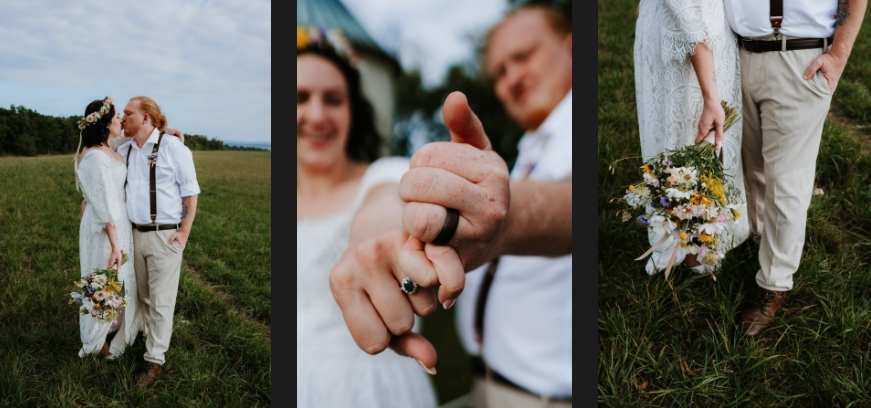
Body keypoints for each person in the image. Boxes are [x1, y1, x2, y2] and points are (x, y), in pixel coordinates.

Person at [331, 3, 574, 406]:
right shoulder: (534, 143)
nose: (511, 79)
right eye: (499, 72)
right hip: (488, 380)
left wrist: (505, 219)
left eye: (523, 57)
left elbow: (572, 203)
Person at [296, 26, 440, 408]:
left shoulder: (385, 175)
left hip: (375, 389)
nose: (316, 115)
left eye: (333, 99)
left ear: (352, 111)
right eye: (300, 98)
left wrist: (376, 236)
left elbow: (386, 208)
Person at [729, 0, 867, 336]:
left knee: (786, 178)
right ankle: (761, 234)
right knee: (751, 163)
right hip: (737, 54)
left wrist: (838, 56)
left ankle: (774, 282)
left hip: (799, 58)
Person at [634, 0, 751, 274]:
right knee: (690, 133)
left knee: (682, 134)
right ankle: (690, 242)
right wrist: (710, 96)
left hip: (678, 30)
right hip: (688, 44)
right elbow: (690, 13)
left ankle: (685, 232)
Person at [116, 95, 200, 386]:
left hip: (165, 235)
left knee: (162, 301)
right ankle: (147, 336)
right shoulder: (125, 147)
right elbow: (103, 140)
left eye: (128, 113)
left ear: (146, 117)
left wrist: (184, 231)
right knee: (143, 296)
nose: (122, 117)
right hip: (134, 234)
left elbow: (190, 192)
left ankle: (154, 360)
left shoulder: (173, 148)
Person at [75, 97, 141, 359]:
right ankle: (94, 341)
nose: (121, 120)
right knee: (104, 280)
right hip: (105, 229)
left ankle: (113, 330)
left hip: (119, 223)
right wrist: (115, 245)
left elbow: (132, 136)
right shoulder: (94, 157)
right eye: (116, 117)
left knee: (120, 280)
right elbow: (104, 206)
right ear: (104, 123)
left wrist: (165, 131)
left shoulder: (109, 146)